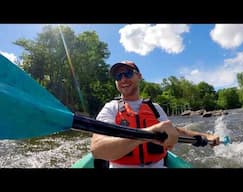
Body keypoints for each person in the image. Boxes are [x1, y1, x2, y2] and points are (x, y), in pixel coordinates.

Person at [90, 60, 220, 168]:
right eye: (118, 76)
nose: (123, 79)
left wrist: (206, 135)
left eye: (128, 73)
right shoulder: (111, 108)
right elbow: (97, 150)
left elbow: (175, 131)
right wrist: (146, 134)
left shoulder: (155, 108)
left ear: (139, 76)